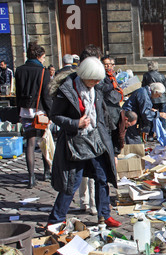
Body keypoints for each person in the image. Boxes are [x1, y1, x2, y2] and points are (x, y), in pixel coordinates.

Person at [47, 57, 121, 228]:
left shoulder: (97, 88)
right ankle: (56, 219)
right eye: (93, 79)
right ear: (84, 75)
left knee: (102, 178)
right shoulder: (66, 90)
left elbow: (104, 113)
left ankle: (104, 215)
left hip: (96, 138)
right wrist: (75, 123)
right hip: (76, 142)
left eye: (98, 79)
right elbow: (55, 116)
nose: (96, 82)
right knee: (72, 182)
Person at [15, 42, 53, 188]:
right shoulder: (43, 71)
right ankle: (46, 171)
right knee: (44, 140)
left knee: (30, 143)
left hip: (25, 110)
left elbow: (18, 93)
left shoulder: (19, 70)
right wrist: (51, 113)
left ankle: (31, 177)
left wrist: (18, 111)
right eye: (43, 57)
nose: (44, 60)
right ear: (38, 56)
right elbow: (47, 95)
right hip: (40, 111)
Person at [141, 61, 166, 130]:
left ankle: (151, 133)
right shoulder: (161, 75)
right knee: (163, 116)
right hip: (162, 98)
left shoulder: (146, 75)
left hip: (152, 98)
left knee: (152, 116)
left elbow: (143, 86)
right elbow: (165, 87)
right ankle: (163, 131)